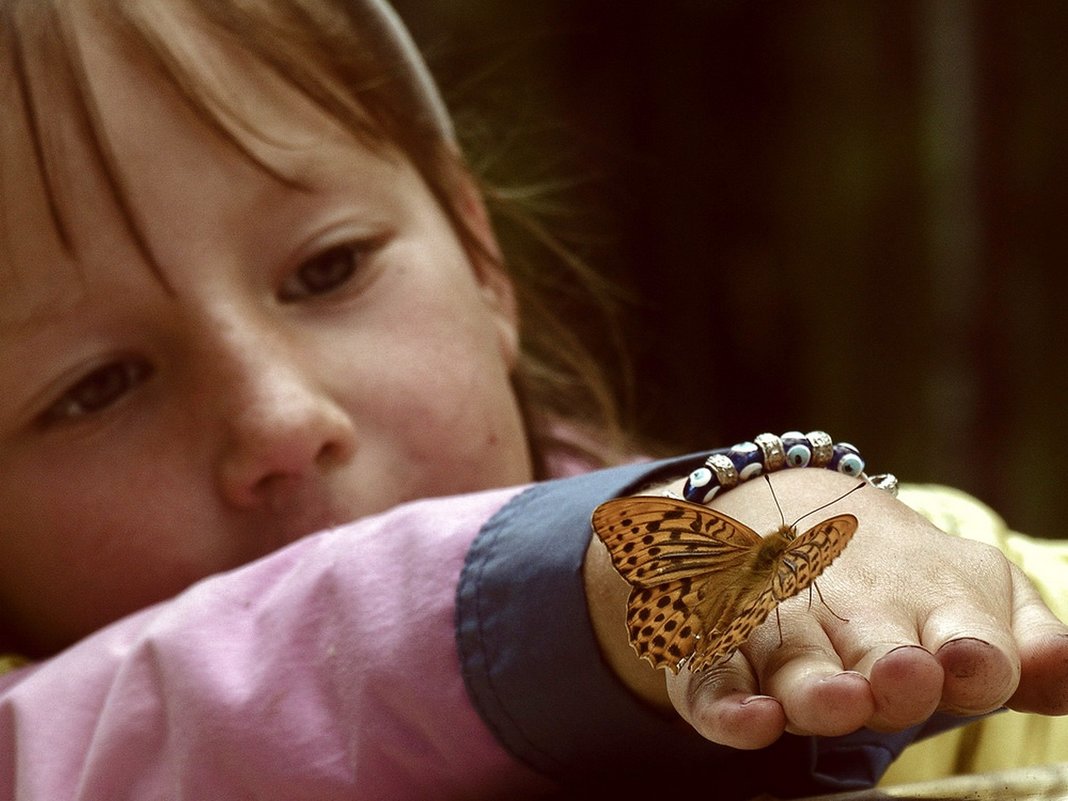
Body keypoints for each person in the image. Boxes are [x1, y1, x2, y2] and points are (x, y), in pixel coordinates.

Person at [0, 0, 1065, 798]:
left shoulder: (945, 593)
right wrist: (574, 597)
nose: (281, 420)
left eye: (329, 269)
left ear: (479, 252)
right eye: (96, 387)